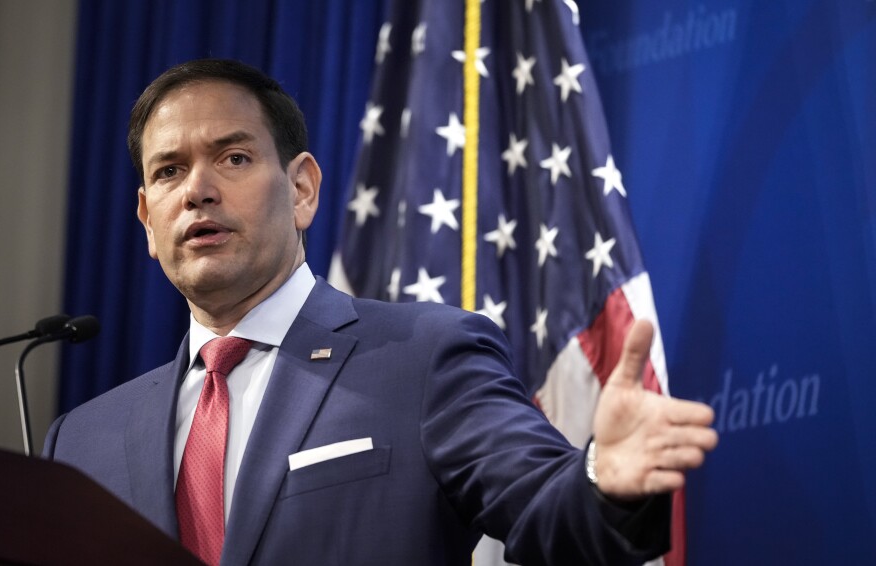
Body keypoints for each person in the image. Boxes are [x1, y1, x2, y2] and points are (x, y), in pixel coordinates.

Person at [44, 59, 717, 566]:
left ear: (302, 188)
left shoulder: (426, 357)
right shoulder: (77, 442)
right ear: (146, 220)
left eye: (234, 157)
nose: (196, 190)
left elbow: (549, 511)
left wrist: (604, 480)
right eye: (167, 172)